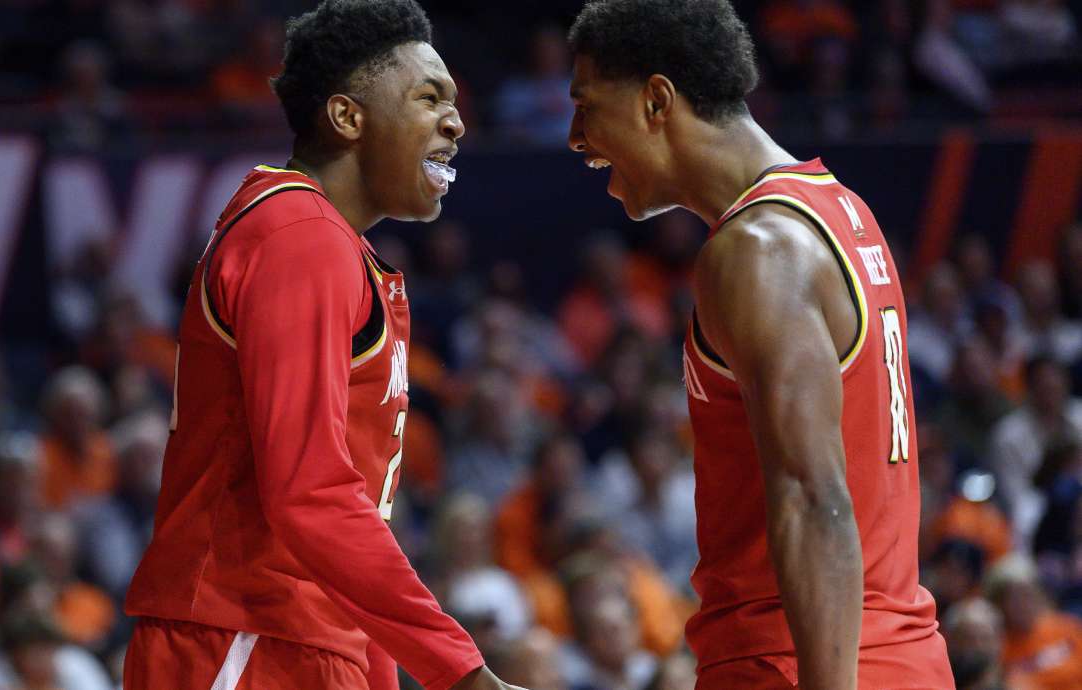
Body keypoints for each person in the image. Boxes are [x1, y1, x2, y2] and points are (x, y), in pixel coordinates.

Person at [123, 2, 518, 690]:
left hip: (301, 636)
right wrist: (459, 669)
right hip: (245, 632)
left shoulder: (326, 242)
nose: (456, 122)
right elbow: (309, 492)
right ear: (346, 117)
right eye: (430, 99)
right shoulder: (299, 236)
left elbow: (347, 515)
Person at [566, 1, 953, 688]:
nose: (575, 137)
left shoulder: (756, 247)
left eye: (586, 106)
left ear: (657, 100)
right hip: (895, 652)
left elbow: (812, 496)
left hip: (798, 662)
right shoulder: (840, 209)